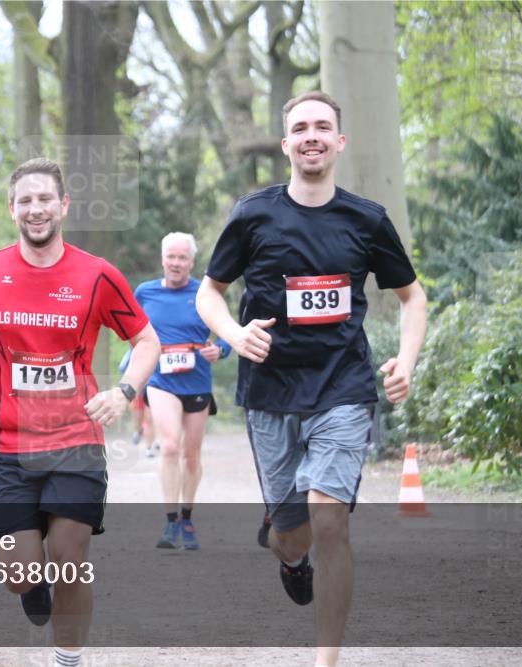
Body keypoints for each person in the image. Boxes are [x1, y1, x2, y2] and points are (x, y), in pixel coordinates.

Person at [196, 91, 427, 667]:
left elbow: (412, 296)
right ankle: (287, 551)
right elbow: (210, 292)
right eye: (300, 128)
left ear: (339, 141)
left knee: (330, 521)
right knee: (295, 537)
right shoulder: (253, 214)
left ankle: (327, 660)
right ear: (286, 144)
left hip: (342, 386)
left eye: (323, 126)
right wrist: (232, 333)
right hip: (271, 392)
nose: (312, 136)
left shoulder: (366, 219)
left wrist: (406, 359)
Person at [0, 158, 160, 667]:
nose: (35, 209)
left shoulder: (97, 275)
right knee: (19, 575)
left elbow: (146, 340)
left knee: (70, 561)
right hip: (5, 444)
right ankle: (31, 584)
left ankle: (68, 659)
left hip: (75, 442)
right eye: (25, 200)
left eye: (45, 199)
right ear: (12, 208)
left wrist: (124, 391)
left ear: (63, 205)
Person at [135, 232, 231, 551]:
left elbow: (228, 333)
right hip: (162, 381)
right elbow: (130, 330)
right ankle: (170, 520)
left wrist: (221, 350)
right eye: (171, 257)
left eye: (182, 258)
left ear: (192, 261)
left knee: (191, 456)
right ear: (163, 259)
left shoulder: (205, 293)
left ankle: (187, 517)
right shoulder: (145, 293)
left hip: (197, 383)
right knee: (169, 447)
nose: (176, 263)